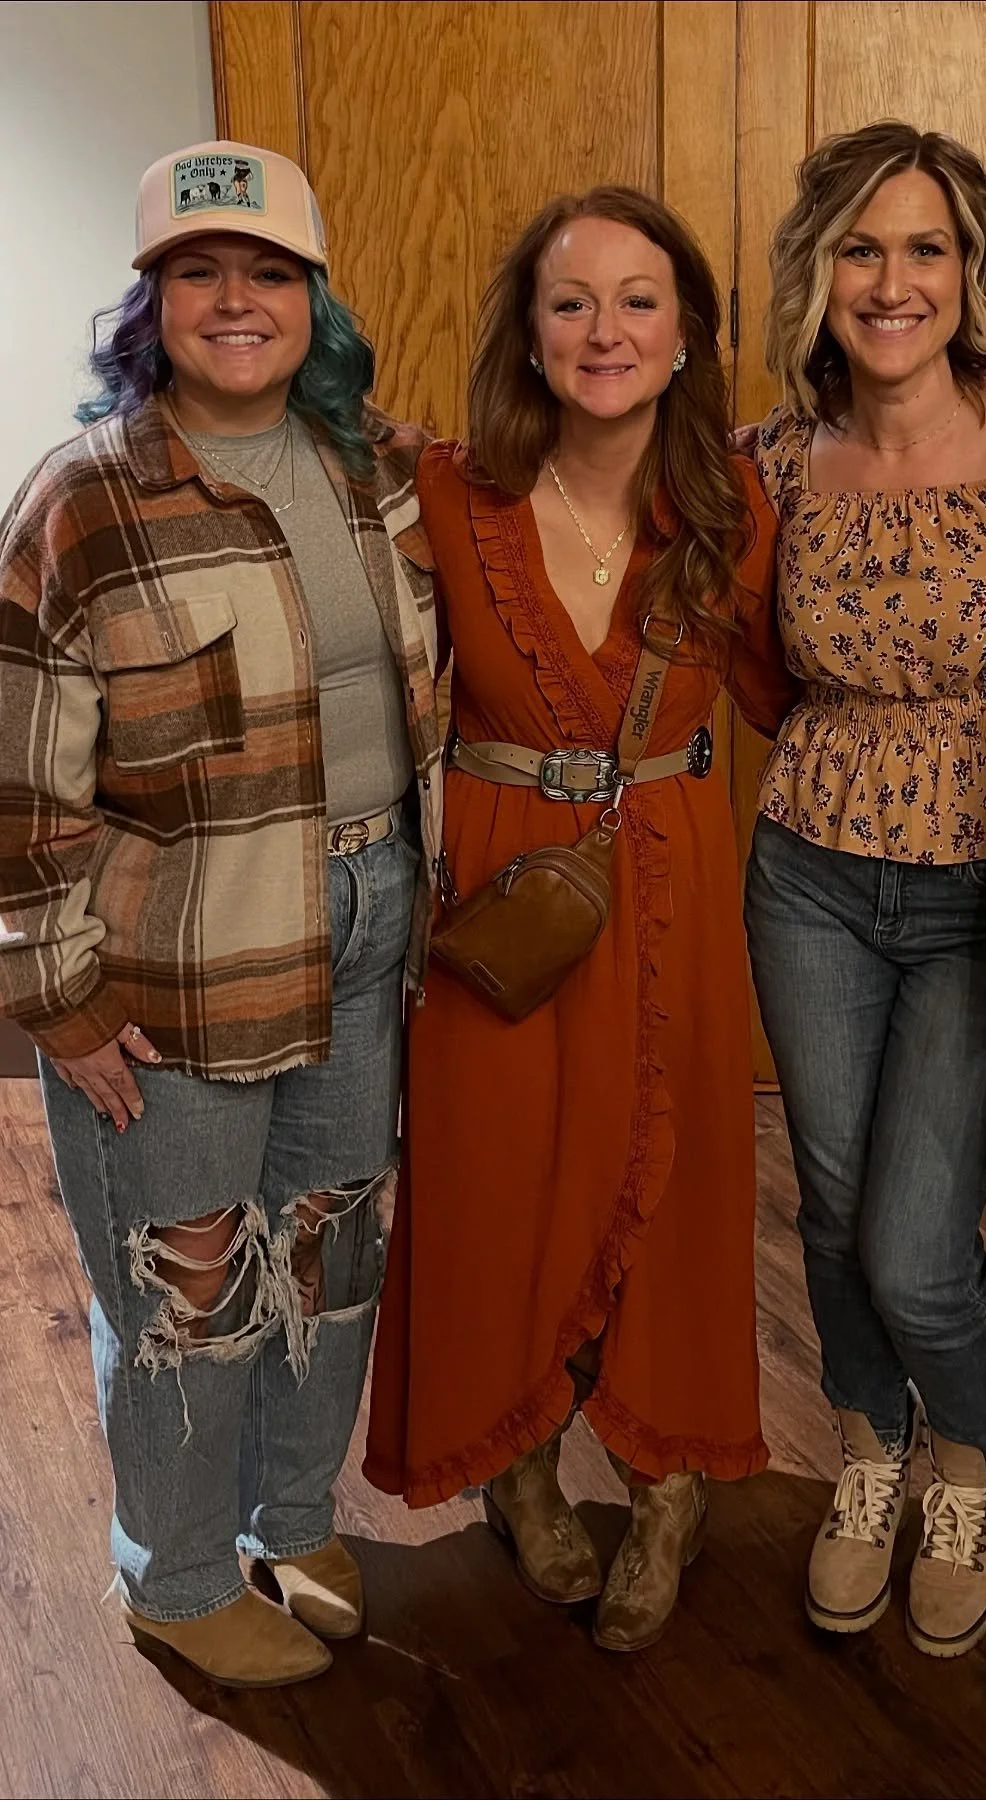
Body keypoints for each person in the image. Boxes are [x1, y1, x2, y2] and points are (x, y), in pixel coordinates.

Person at [0, 141, 443, 1688]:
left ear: (313, 298)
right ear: (151, 305)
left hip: (373, 911)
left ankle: (291, 1513)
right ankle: (177, 1575)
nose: (235, 300)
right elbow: (18, 778)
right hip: (173, 956)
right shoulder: (83, 500)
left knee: (329, 1251)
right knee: (187, 1274)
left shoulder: (376, 467)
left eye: (267, 271)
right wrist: (51, 990)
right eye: (199, 272)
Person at [364, 186, 797, 1652]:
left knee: (671, 1187)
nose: (604, 330)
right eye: (570, 301)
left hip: (669, 878)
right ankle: (520, 1469)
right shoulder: (436, 493)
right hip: (500, 889)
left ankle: (669, 1480)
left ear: (686, 338)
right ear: (528, 335)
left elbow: (807, 699)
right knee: (498, 1176)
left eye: (638, 300)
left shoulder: (739, 511)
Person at [742, 120, 986, 1657]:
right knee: (826, 1204)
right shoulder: (767, 461)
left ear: (972, 269)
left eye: (926, 247)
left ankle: (972, 1457)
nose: (894, 281)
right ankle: (869, 1453)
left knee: (916, 1244)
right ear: (822, 270)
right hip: (808, 870)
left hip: (978, 896)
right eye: (863, 248)